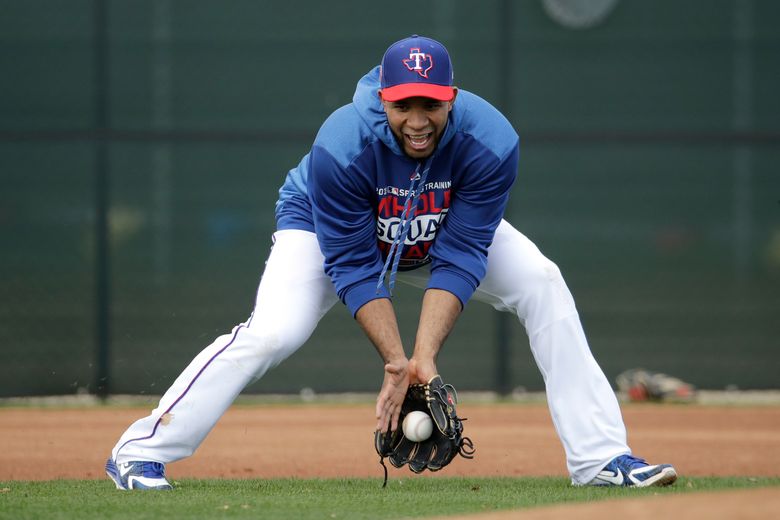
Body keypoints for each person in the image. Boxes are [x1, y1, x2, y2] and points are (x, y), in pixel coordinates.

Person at [105, 35, 677, 490]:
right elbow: (353, 266)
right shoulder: (342, 144)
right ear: (384, 97)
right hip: (327, 227)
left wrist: (425, 357)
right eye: (405, 104)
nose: (419, 118)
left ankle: (602, 458)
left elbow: (462, 253)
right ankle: (140, 451)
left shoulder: (491, 142)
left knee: (542, 282)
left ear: (451, 98)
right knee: (272, 333)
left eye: (432, 103)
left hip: (438, 225)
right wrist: (397, 363)